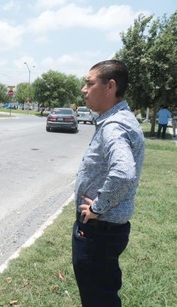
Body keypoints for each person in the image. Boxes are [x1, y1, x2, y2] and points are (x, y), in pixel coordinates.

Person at [73, 60, 145, 307]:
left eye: (89, 83)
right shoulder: (118, 119)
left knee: (98, 299)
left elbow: (124, 173)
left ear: (110, 86)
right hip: (104, 232)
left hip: (99, 231)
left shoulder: (114, 126)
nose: (84, 89)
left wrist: (97, 208)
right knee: (102, 293)